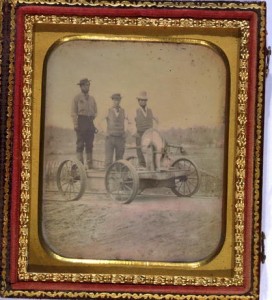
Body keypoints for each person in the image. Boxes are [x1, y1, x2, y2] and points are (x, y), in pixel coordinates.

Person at [71, 78, 97, 169]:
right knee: (80, 144)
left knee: (90, 144)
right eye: (86, 85)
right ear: (81, 86)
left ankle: (90, 165)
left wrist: (91, 119)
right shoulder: (77, 98)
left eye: (88, 85)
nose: (87, 87)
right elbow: (74, 112)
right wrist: (76, 124)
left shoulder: (92, 99)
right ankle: (80, 166)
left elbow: (95, 111)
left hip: (90, 122)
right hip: (81, 121)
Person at [135, 91, 158, 167]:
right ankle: (142, 166)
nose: (142, 101)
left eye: (144, 100)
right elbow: (131, 122)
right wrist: (134, 132)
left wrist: (155, 130)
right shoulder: (135, 110)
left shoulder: (151, 110)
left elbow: (157, 120)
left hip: (149, 133)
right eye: (141, 100)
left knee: (152, 149)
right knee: (140, 150)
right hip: (140, 133)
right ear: (138, 101)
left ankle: (153, 166)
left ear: (146, 101)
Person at [104, 93, 128, 168]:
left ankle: (118, 177)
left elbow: (128, 122)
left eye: (118, 100)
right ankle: (107, 177)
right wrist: (105, 132)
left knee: (119, 160)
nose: (116, 102)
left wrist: (125, 132)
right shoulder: (108, 110)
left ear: (120, 100)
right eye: (114, 100)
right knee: (108, 160)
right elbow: (99, 122)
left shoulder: (124, 111)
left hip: (120, 138)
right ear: (112, 100)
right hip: (110, 138)